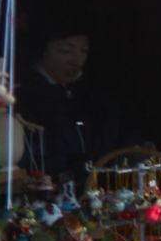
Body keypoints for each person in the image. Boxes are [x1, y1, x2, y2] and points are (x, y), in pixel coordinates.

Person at [15, 19, 123, 182]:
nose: (77, 60)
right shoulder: (24, 96)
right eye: (65, 51)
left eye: (84, 51)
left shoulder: (93, 96)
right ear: (42, 50)